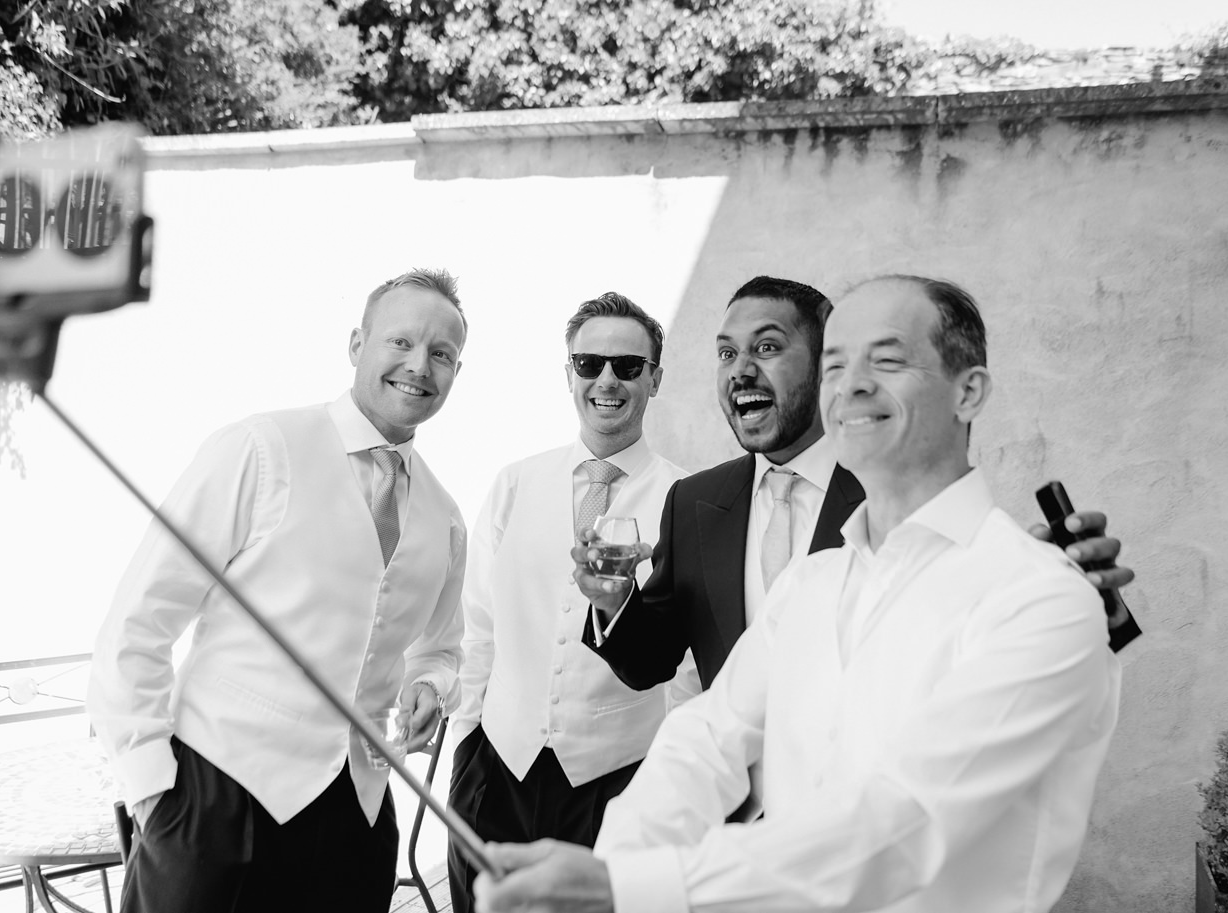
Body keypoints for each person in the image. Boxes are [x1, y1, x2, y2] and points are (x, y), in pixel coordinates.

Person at [476, 275, 1121, 913]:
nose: (851, 384)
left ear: (968, 391)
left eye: (886, 359)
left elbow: (907, 824)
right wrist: (610, 870)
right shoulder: (813, 585)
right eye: (836, 364)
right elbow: (704, 743)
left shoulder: (1044, 598)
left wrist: (630, 888)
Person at [87, 268, 469, 913]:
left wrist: (430, 684)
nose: (419, 365)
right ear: (357, 344)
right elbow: (140, 618)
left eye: (441, 354)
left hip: (356, 817)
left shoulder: (446, 516)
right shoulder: (259, 448)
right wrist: (152, 787)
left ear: (456, 371)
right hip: (215, 796)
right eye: (401, 342)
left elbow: (441, 647)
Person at [579, 276, 1138, 706]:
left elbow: (990, 649)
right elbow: (651, 662)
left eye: (767, 348)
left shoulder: (893, 488)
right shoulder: (694, 502)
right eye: (726, 353)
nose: (740, 372)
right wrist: (614, 602)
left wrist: (1082, 606)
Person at [448, 293, 693, 913]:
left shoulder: (687, 501)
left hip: (620, 779)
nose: (606, 380)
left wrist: (670, 784)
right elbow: (479, 624)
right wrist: (467, 743)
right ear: (569, 374)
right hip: (497, 766)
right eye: (589, 364)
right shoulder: (515, 482)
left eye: (628, 366)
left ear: (655, 379)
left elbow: (691, 665)